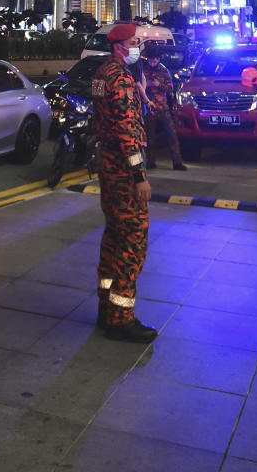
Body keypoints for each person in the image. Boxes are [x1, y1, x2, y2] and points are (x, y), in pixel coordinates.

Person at [91, 22, 156, 343]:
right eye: (133, 42)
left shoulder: (102, 74)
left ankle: (106, 305)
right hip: (122, 167)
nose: (137, 47)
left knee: (114, 235)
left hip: (107, 162)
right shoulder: (120, 79)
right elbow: (127, 129)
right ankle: (121, 316)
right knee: (133, 240)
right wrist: (139, 175)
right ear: (119, 46)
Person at [142, 44, 187, 171]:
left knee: (171, 135)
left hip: (163, 107)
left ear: (159, 59)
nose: (153, 62)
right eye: (151, 59)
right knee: (149, 137)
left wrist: (159, 84)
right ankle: (151, 161)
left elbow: (170, 89)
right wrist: (148, 85)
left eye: (155, 59)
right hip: (149, 108)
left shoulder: (163, 70)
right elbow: (138, 87)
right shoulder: (143, 71)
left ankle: (177, 162)